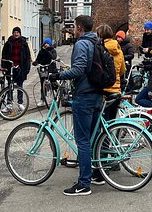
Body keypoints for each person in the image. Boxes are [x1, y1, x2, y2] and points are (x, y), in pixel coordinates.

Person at [49, 15, 102, 196]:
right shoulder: (97, 42)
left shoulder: (81, 44)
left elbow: (79, 69)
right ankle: (97, 174)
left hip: (85, 95)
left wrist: (59, 76)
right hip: (97, 94)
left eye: (75, 27)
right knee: (94, 138)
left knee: (83, 141)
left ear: (79, 27)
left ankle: (83, 184)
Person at [1, 26, 32, 110]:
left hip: (20, 67)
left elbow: (28, 56)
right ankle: (9, 104)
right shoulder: (8, 43)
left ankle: (20, 103)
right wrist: (3, 66)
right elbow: (4, 55)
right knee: (10, 86)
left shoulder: (24, 43)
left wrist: (27, 68)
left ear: (20, 33)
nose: (16, 34)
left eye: (17, 32)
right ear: (12, 33)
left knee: (20, 86)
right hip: (10, 67)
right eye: (14, 32)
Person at [33, 38, 58, 107]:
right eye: (45, 43)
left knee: (53, 82)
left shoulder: (53, 50)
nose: (46, 44)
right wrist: (35, 62)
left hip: (51, 69)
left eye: (47, 43)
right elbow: (38, 59)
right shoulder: (41, 51)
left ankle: (56, 95)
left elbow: (53, 57)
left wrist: (47, 50)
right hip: (43, 69)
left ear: (49, 44)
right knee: (42, 84)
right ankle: (42, 99)